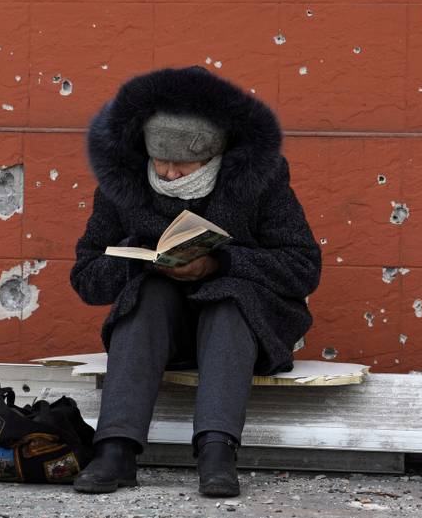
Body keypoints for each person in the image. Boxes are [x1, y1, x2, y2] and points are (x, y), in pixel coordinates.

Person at [69, 65, 322, 497]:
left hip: (242, 327)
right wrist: (138, 259)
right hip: (161, 329)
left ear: (214, 155)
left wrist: (220, 264)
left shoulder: (260, 181)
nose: (167, 173)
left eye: (182, 164)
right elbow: (86, 278)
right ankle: (114, 450)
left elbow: (302, 266)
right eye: (159, 160)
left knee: (227, 298)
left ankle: (217, 451)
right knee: (147, 293)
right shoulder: (122, 185)